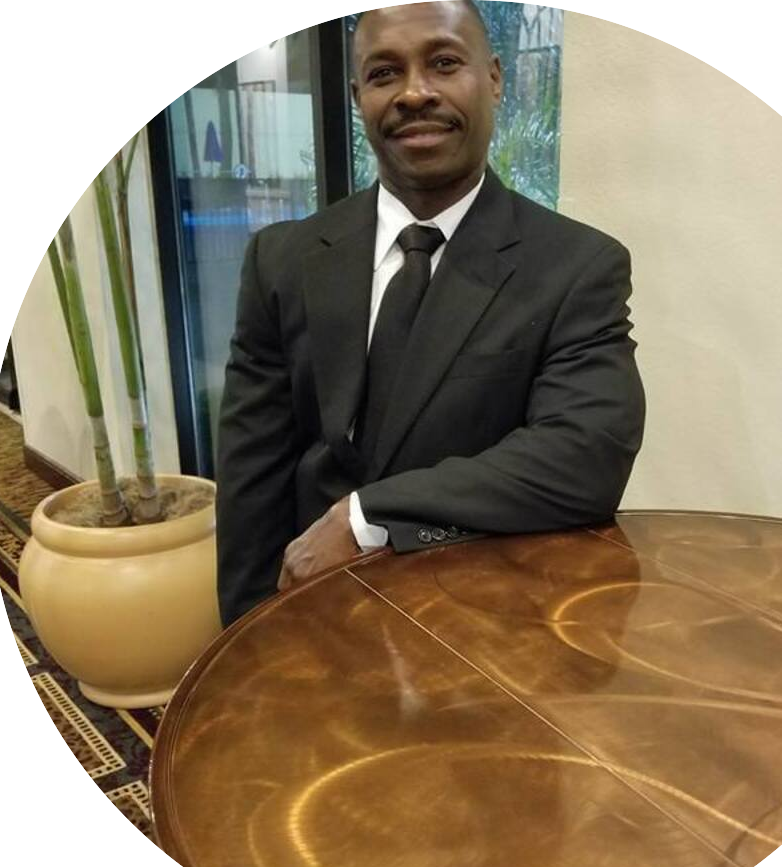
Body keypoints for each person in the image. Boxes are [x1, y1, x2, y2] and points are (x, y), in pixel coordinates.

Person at [216, 0, 646, 627]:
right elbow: (252, 474)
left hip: (484, 626)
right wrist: (242, 642)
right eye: (385, 73)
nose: (415, 92)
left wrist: (365, 517)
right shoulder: (282, 260)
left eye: (444, 63)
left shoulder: (576, 267)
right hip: (314, 618)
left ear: (493, 78)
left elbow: (585, 454)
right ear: (357, 93)